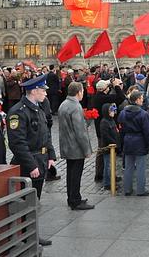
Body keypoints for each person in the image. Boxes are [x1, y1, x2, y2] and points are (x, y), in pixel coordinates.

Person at [6, 75, 56, 246]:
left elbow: (46, 134)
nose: (45, 94)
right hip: (29, 164)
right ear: (34, 91)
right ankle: (26, 236)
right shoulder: (18, 112)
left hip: (41, 160)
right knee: (27, 202)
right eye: (43, 90)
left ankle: (32, 234)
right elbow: (17, 143)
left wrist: (51, 155)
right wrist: (31, 164)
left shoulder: (38, 108)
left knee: (35, 201)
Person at [58, 82, 94, 210]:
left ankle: (72, 197)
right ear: (78, 92)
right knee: (76, 174)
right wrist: (87, 150)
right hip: (76, 146)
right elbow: (80, 132)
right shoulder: (75, 106)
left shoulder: (64, 104)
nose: (83, 93)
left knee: (70, 173)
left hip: (67, 144)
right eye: (82, 91)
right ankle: (75, 200)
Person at [119, 91, 149, 196]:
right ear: (137, 100)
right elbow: (147, 131)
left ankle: (127, 189)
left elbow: (121, 128)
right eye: (141, 98)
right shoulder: (143, 114)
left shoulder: (123, 113)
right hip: (140, 141)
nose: (142, 100)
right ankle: (140, 190)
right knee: (140, 167)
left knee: (128, 166)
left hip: (128, 140)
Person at [91, 78, 125, 182]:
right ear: (104, 89)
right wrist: (116, 86)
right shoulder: (102, 98)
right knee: (106, 152)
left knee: (102, 152)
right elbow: (120, 98)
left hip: (100, 127)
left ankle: (100, 174)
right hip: (105, 128)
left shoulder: (97, 96)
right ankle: (107, 176)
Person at [100, 103, 120, 191]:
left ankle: (113, 177)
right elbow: (105, 136)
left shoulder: (111, 120)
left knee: (112, 164)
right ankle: (107, 183)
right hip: (108, 147)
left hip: (114, 147)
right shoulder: (104, 122)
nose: (113, 112)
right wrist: (114, 142)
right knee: (108, 165)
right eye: (111, 111)